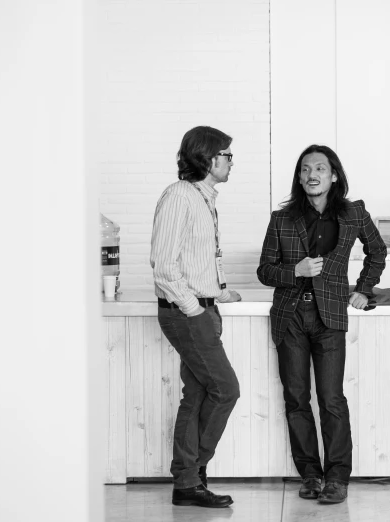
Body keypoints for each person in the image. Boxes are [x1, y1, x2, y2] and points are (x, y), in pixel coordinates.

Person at [257, 144, 387, 504]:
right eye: (304, 169)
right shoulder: (281, 219)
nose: (311, 175)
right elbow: (265, 271)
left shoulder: (353, 214)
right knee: (296, 399)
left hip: (330, 316)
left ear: (333, 175)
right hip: (290, 317)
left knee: (331, 399)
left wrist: (363, 289)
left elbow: (377, 252)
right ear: (299, 177)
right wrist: (294, 271)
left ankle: (337, 478)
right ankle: (310, 475)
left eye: (318, 169)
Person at [150, 125, 242, 508]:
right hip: (186, 313)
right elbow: (164, 266)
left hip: (203, 307)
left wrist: (218, 293)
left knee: (200, 392)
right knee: (226, 389)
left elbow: (197, 258)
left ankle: (188, 482)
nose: (231, 161)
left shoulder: (204, 198)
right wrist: (195, 310)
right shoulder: (179, 197)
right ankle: (191, 473)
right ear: (206, 158)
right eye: (226, 154)